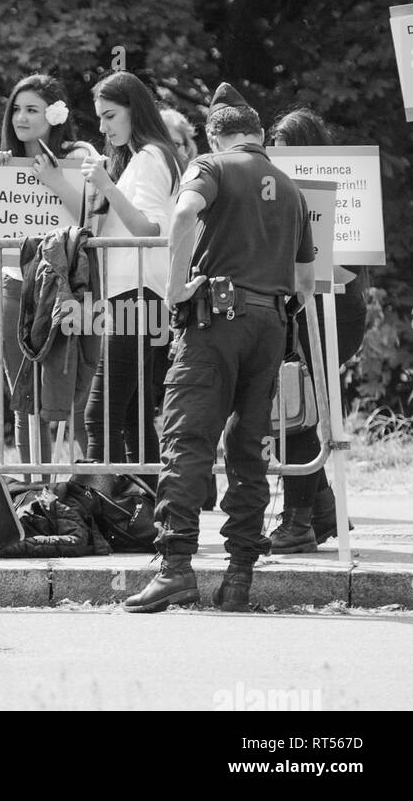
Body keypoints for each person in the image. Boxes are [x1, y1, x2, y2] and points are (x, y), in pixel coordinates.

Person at [125, 83, 314, 614]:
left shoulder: (210, 165)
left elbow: (184, 216)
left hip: (215, 321)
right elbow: (304, 282)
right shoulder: (291, 187)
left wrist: (175, 286)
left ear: (215, 134)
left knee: (188, 439)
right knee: (248, 449)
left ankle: (176, 569)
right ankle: (238, 579)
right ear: (258, 135)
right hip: (271, 326)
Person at [265, 107, 368, 552]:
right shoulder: (279, 191)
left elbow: (349, 271)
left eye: (290, 156)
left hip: (334, 313)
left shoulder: (338, 190)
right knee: (293, 410)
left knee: (296, 409)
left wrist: (305, 261)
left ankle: (300, 520)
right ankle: (320, 510)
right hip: (298, 310)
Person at [0, 73, 95, 473]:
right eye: (16, 109)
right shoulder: (2, 160)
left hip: (66, 292)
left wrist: (54, 180)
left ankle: (91, 489)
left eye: (32, 109)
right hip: (15, 288)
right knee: (24, 399)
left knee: (76, 397)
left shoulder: (80, 153)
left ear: (54, 114)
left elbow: (92, 215)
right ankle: (35, 491)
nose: (21, 117)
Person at [81, 72, 181, 491]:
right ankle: (154, 514)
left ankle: (97, 512)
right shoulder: (149, 157)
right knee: (135, 415)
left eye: (109, 116)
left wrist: (106, 185)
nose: (103, 128)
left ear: (133, 110)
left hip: (138, 295)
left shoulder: (150, 158)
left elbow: (148, 229)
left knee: (100, 414)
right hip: (141, 293)